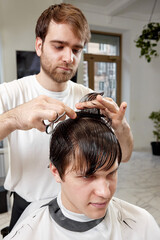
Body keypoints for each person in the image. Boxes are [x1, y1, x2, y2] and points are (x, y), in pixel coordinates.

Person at [0, 3, 133, 232]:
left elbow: (126, 155)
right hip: (27, 205)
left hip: (79, 207)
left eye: (76, 49)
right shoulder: (10, 93)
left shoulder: (88, 98)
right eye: (59, 46)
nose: (69, 57)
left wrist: (120, 127)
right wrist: (13, 119)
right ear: (39, 45)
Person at [3, 105, 160, 240]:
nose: (105, 192)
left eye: (111, 173)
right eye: (87, 176)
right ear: (56, 172)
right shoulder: (28, 233)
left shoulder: (141, 224)